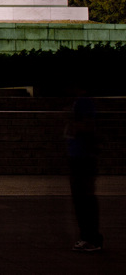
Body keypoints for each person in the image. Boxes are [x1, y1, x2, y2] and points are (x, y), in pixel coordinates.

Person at [66, 93, 103, 252]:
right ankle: (87, 236)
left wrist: (73, 127)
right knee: (81, 199)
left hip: (83, 157)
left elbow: (89, 125)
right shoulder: (79, 100)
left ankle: (91, 238)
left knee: (84, 199)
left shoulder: (84, 100)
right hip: (78, 156)